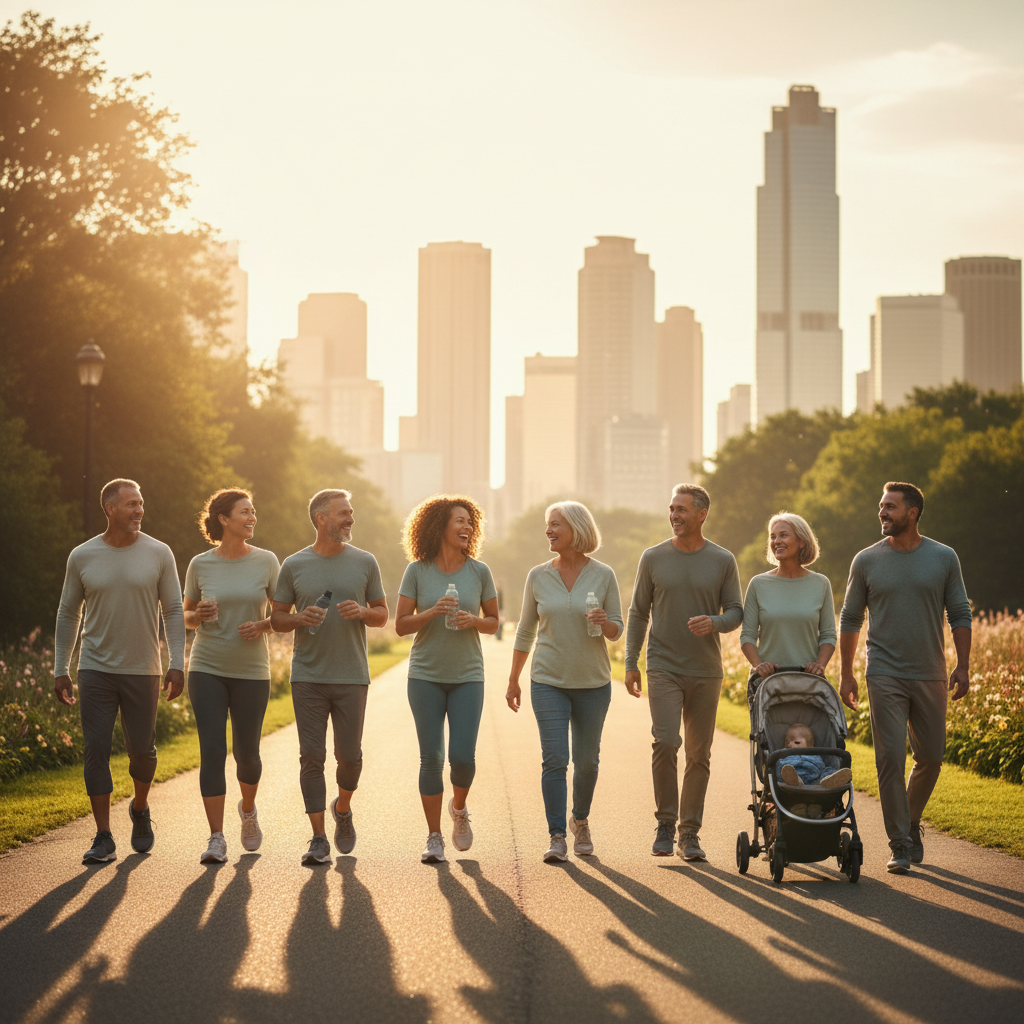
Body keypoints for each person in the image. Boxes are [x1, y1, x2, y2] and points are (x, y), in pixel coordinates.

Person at [839, 481, 971, 874]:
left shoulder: (944, 557)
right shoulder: (866, 560)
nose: (882, 512)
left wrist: (963, 665)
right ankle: (898, 842)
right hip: (884, 672)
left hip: (931, 671)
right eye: (881, 506)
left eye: (890, 507)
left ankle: (911, 822)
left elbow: (959, 612)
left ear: (912, 513)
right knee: (890, 757)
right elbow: (850, 618)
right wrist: (847, 673)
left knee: (931, 756)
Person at [54, 479, 186, 864]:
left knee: (142, 753)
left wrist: (177, 662)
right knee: (96, 748)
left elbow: (173, 611)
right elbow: (68, 612)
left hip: (143, 669)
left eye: (141, 503)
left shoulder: (159, 553)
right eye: (130, 504)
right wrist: (61, 666)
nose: (139, 510)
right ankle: (103, 835)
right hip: (95, 667)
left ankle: (140, 808)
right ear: (110, 509)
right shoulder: (82, 555)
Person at [624, 484, 742, 861]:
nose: (674, 515)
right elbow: (639, 612)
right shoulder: (653, 557)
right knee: (665, 741)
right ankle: (665, 823)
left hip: (706, 670)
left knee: (698, 754)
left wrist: (715, 622)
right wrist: (630, 662)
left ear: (702, 514)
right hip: (663, 666)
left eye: (682, 510)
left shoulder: (723, 560)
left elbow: (736, 611)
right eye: (672, 509)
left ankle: (689, 834)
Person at [270, 489, 388, 866]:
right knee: (312, 757)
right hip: (308, 676)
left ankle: (343, 807)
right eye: (343, 513)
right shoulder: (294, 565)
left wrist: (363, 613)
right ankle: (318, 838)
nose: (350, 518)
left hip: (352, 675)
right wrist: (299, 618)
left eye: (351, 512)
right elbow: (276, 619)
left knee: (349, 758)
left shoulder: (365, 562)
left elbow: (383, 614)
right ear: (321, 518)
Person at [507, 501, 623, 863]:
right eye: (547, 525)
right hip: (548, 680)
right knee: (555, 759)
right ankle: (557, 835)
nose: (548, 531)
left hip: (593, 682)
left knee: (587, 762)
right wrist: (514, 678)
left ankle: (580, 820)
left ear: (576, 529)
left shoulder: (604, 575)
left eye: (555, 524)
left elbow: (617, 630)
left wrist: (604, 622)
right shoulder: (537, 576)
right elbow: (526, 628)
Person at [395, 495, 499, 864]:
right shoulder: (418, 571)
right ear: (440, 526)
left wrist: (474, 621)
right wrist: (431, 612)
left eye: (471, 521)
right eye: (459, 520)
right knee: (431, 758)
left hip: (468, 675)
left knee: (462, 758)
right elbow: (400, 626)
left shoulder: (479, 572)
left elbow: (494, 622)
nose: (467, 527)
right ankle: (434, 836)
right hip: (425, 674)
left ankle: (459, 808)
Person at [182, 489, 280, 864]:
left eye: (253, 511)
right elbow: (185, 616)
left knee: (247, 755)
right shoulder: (200, 565)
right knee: (212, 751)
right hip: (207, 666)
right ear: (223, 519)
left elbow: (283, 616)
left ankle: (249, 811)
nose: (252, 517)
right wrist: (199, 616)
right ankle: (216, 837)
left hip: (251, 670)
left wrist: (263, 625)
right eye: (245, 512)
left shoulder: (267, 561)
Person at [740, 512, 837, 705]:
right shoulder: (758, 584)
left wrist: (819, 665)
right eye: (773, 536)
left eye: (783, 535)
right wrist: (759, 665)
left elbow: (828, 635)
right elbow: (747, 636)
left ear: (802, 541)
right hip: (767, 683)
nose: (776, 541)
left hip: (808, 681)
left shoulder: (821, 584)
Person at [777, 723, 853, 816]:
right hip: (791, 782)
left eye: (796, 742)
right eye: (786, 743)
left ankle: (829, 780)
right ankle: (797, 782)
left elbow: (821, 767)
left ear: (810, 746)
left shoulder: (815, 755)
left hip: (817, 783)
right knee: (783, 770)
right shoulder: (784, 756)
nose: (789, 745)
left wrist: (825, 773)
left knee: (827, 770)